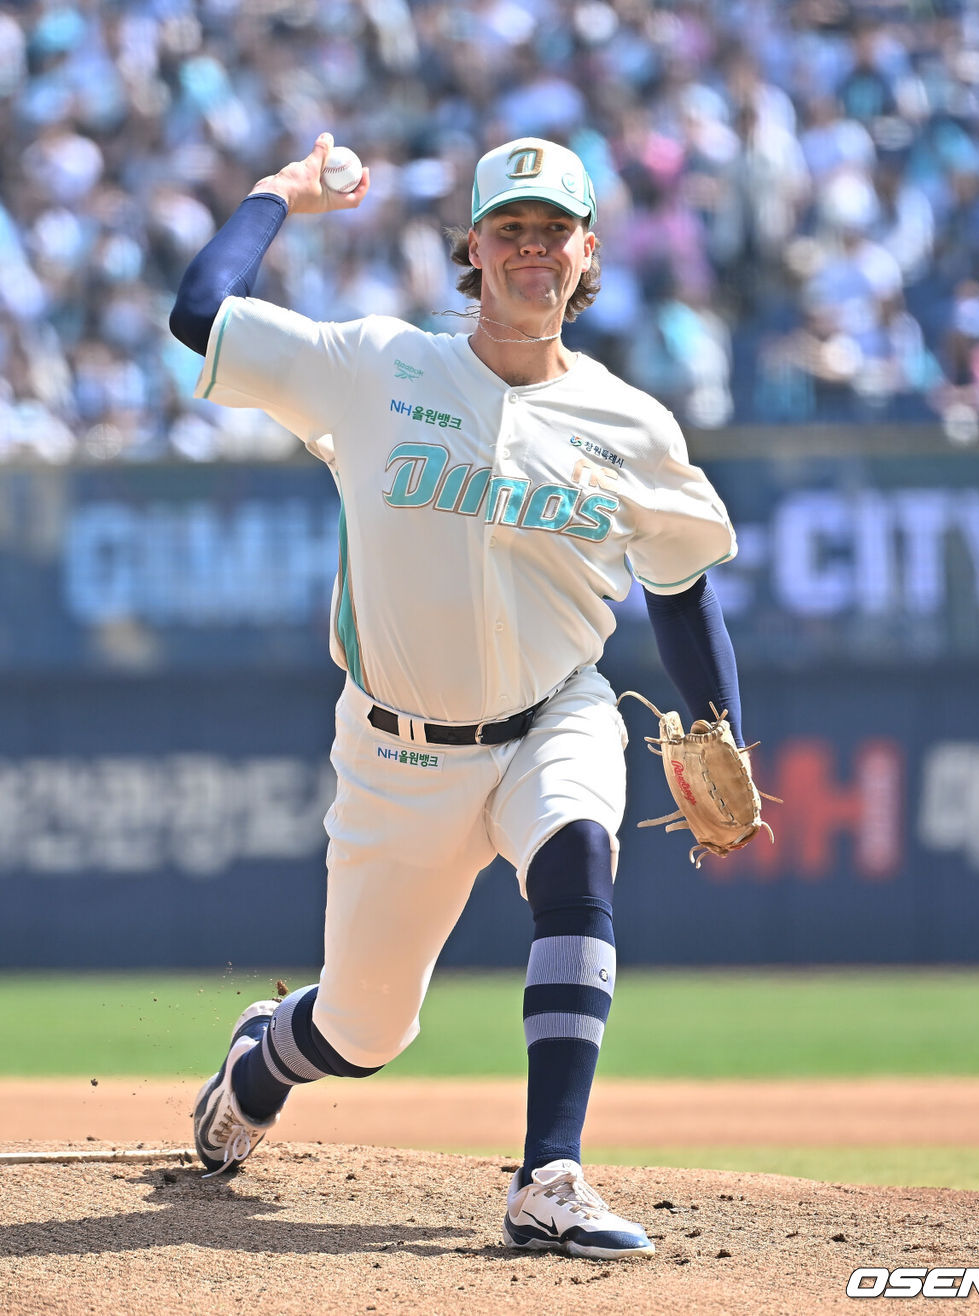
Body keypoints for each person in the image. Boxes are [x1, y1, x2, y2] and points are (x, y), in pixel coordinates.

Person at [170, 132, 747, 1260]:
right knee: (364, 1026)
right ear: (471, 254)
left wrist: (724, 721)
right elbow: (202, 312)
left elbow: (679, 586)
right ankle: (262, 1060)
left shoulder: (633, 423)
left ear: (586, 257)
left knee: (579, 853)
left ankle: (550, 1176)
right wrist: (277, 195)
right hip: (398, 751)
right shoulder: (376, 365)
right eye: (508, 231)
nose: (532, 250)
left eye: (553, 233)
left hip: (556, 712)